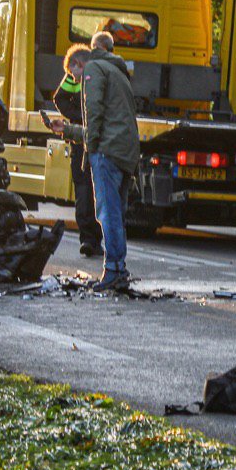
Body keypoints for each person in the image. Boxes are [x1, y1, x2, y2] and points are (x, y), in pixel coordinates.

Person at [48, 31, 139, 291]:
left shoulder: (94, 70)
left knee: (106, 212)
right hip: (125, 150)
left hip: (107, 151)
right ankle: (118, 267)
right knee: (116, 212)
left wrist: (92, 147)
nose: (76, 81)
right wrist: (67, 130)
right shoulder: (119, 72)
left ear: (81, 62)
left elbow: (94, 113)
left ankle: (113, 271)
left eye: (75, 76)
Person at [52, 44, 103, 257]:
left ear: (79, 64)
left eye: (72, 71)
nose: (72, 77)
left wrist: (76, 117)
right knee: (89, 189)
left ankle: (90, 239)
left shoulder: (89, 76)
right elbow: (59, 98)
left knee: (85, 189)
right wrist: (77, 116)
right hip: (86, 137)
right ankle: (92, 240)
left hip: (84, 137)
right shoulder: (95, 75)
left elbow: (59, 98)